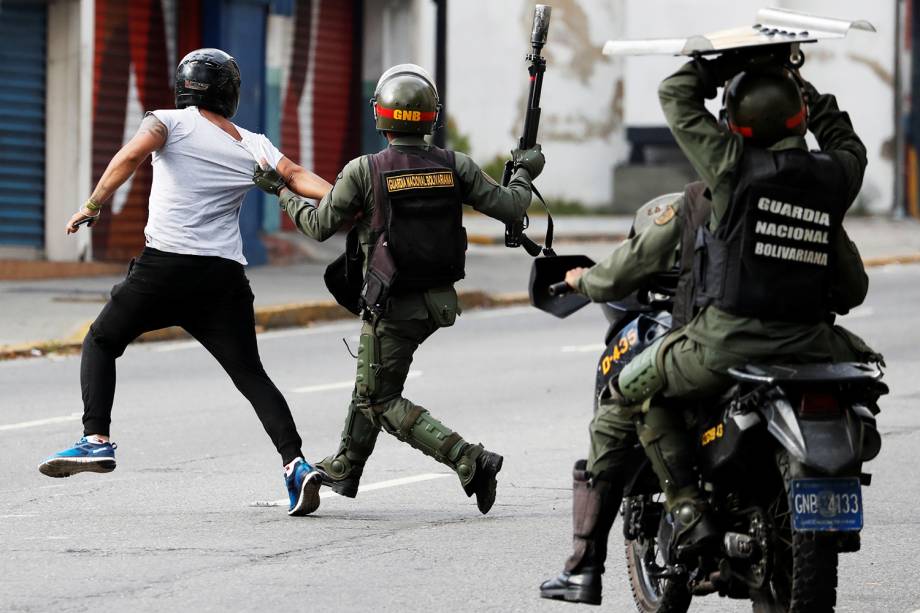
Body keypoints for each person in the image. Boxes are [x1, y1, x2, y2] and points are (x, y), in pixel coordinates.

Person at [594, 51, 881, 558]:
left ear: (735, 125)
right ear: (801, 118)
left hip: (725, 345)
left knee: (630, 387)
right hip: (814, 345)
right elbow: (847, 144)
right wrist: (804, 87)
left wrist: (727, 62)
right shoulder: (833, 179)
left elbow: (675, 96)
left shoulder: (730, 171)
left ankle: (685, 507)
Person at [38, 48, 333, 517]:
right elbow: (296, 177)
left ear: (184, 87)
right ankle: (295, 464)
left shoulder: (168, 121)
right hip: (223, 279)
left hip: (166, 268)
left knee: (101, 341)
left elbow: (131, 155)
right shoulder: (253, 143)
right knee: (250, 375)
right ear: (230, 93)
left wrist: (92, 205)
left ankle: (96, 439)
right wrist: (344, 198)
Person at [252, 63, 545, 514]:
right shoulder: (456, 166)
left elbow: (316, 225)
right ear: (432, 117)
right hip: (438, 301)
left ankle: (469, 460)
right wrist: (524, 170)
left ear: (380, 116)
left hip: (390, 301)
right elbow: (512, 205)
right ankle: (347, 466)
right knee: (372, 380)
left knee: (379, 397)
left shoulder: (364, 171)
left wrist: (280, 191)